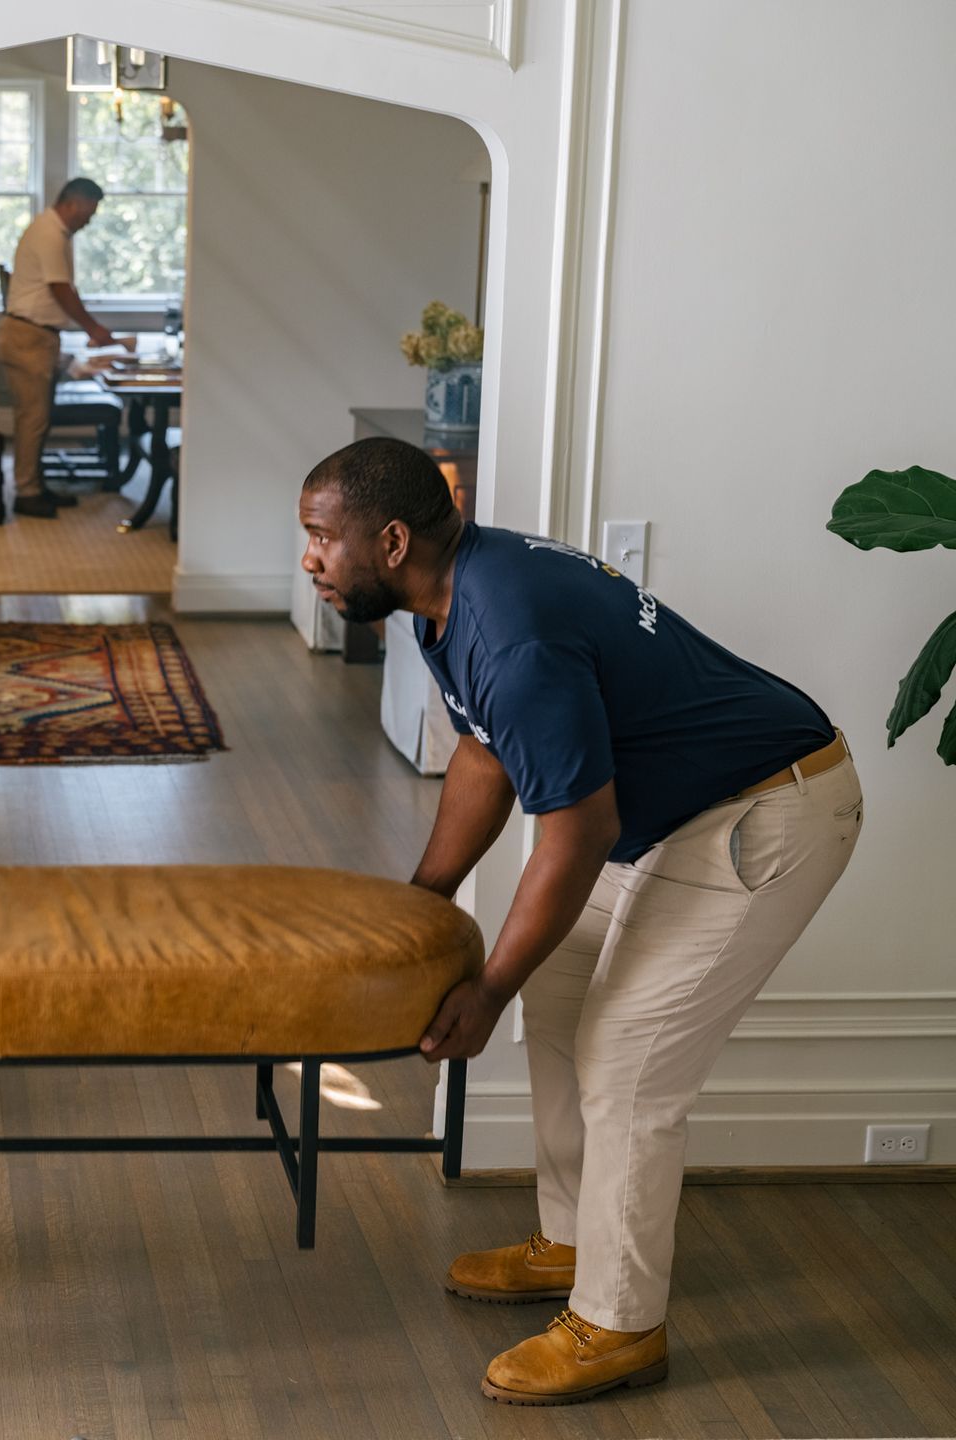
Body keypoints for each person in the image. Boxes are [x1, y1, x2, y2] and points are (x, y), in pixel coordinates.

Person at [298, 437, 861, 1407]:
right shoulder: (451, 597)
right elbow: (486, 753)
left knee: (629, 1065)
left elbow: (574, 831)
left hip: (764, 812)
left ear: (390, 541)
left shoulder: (512, 630)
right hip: (668, 813)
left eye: (319, 537)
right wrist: (420, 902)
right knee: (561, 1005)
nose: (308, 557)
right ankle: (570, 1241)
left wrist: (485, 989)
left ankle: (619, 1322)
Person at [0, 176, 130, 519]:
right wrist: (94, 329)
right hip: (28, 337)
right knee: (33, 419)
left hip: (37, 336)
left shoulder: (54, 232)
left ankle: (36, 484)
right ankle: (27, 493)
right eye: (91, 209)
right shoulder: (49, 234)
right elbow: (60, 290)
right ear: (73, 203)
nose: (91, 218)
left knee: (38, 419)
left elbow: (62, 291)